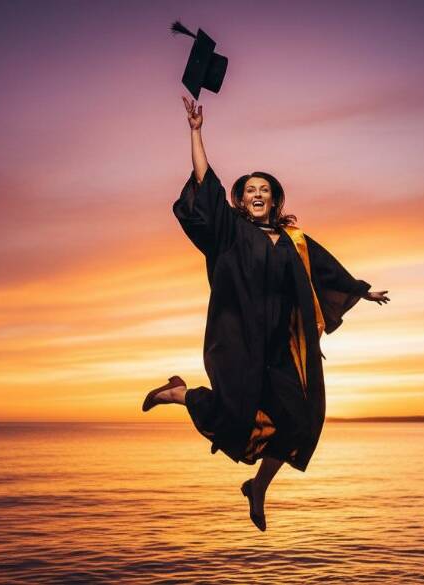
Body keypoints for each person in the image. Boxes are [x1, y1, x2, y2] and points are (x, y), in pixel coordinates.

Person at [142, 96, 389, 531]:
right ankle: (180, 394)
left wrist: (361, 292)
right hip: (236, 338)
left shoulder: (294, 241)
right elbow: (207, 185)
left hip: (278, 351)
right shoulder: (231, 232)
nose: (257, 195)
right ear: (242, 201)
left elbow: (327, 270)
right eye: (250, 190)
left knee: (303, 422)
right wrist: (196, 131)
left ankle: (258, 488)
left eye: (265, 191)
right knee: (237, 417)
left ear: (275, 201)